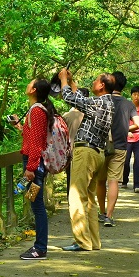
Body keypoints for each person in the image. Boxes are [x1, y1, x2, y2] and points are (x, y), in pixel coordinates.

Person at [58, 69, 114, 252]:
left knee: (76, 196)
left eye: (96, 80)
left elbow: (70, 98)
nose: (93, 82)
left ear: (102, 85)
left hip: (86, 152)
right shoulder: (108, 103)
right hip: (98, 153)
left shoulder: (98, 102)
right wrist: (72, 81)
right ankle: (93, 242)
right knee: (89, 200)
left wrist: (63, 80)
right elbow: (80, 99)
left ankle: (82, 241)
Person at [15, 78, 55, 260]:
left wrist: (30, 168)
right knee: (34, 203)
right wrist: (20, 127)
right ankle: (39, 246)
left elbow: (37, 143)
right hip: (33, 164)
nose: (27, 85)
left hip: (34, 166)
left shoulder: (37, 111)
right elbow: (32, 137)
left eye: (30, 83)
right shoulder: (35, 110)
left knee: (37, 206)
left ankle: (40, 248)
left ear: (34, 90)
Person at [97, 72, 139, 227]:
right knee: (114, 181)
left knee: (100, 181)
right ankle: (109, 216)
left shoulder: (102, 100)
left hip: (102, 146)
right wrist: (125, 129)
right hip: (120, 146)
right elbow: (138, 124)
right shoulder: (128, 104)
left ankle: (102, 212)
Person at [62, 87, 89, 195]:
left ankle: (70, 200)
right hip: (87, 151)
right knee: (86, 180)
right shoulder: (91, 115)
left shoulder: (66, 116)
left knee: (70, 179)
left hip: (70, 152)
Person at [123, 85, 139, 192]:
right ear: (131, 95)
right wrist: (127, 131)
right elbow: (122, 122)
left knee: (138, 160)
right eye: (134, 94)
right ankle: (124, 180)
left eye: (138, 95)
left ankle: (137, 185)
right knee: (126, 160)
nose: (136, 97)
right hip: (127, 137)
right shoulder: (126, 107)